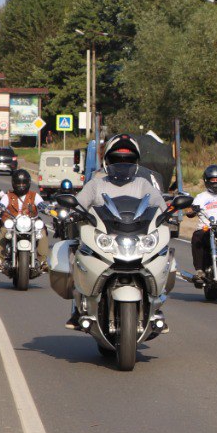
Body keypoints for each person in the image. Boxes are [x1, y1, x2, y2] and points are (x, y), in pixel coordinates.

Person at [66, 134, 169, 331]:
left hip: (135, 239)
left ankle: (156, 307)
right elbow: (78, 205)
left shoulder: (143, 184)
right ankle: (78, 308)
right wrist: (73, 213)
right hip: (104, 240)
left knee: (167, 260)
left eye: (128, 161)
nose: (122, 165)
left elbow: (160, 206)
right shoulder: (96, 184)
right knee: (76, 256)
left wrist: (167, 215)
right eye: (116, 160)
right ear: (107, 161)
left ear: (136, 163)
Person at [0, 169, 50, 270]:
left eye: (23, 183)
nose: (21, 185)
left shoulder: (34, 196)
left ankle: (43, 261)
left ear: (28, 183)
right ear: (13, 183)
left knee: (42, 231)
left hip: (31, 222)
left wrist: (47, 209)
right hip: (13, 223)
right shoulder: (8, 196)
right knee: (3, 230)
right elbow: (1, 205)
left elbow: (41, 204)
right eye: (18, 183)